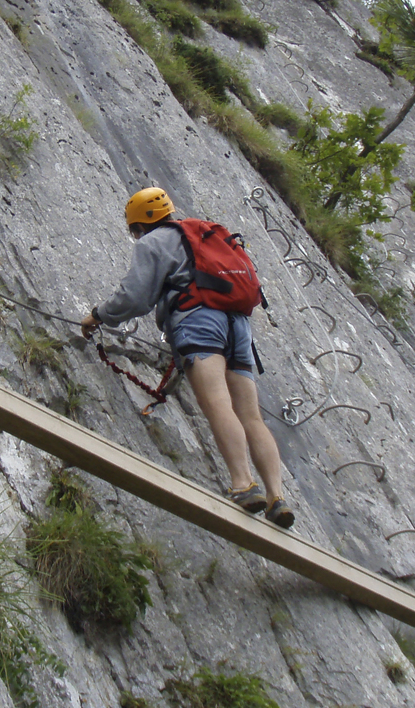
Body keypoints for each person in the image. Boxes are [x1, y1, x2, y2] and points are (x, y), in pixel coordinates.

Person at [81, 188, 294, 528]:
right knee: (251, 416)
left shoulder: (153, 243)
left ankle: (243, 484)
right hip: (238, 325)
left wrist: (98, 315)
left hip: (199, 319)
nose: (135, 235)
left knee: (217, 403)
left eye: (135, 228)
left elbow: (135, 298)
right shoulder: (201, 232)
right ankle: (276, 497)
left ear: (142, 223)